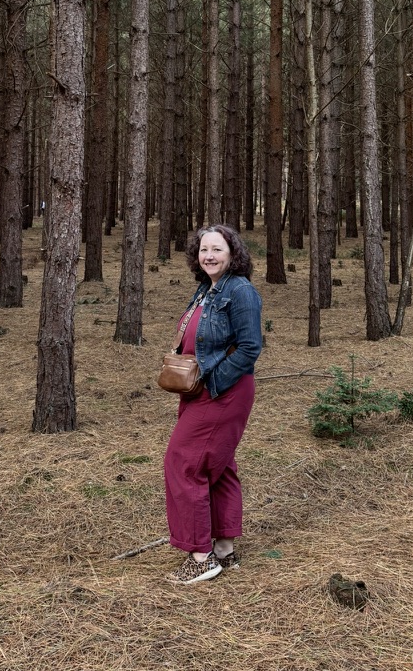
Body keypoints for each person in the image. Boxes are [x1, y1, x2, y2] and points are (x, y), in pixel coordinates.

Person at [163, 224, 263, 584]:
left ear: (233, 254)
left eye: (217, 249)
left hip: (224, 391)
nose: (209, 256)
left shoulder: (240, 291)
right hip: (200, 391)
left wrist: (214, 381)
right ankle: (223, 548)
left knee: (183, 462)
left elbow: (251, 348)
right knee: (218, 467)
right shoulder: (207, 288)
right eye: (204, 249)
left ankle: (200, 556)